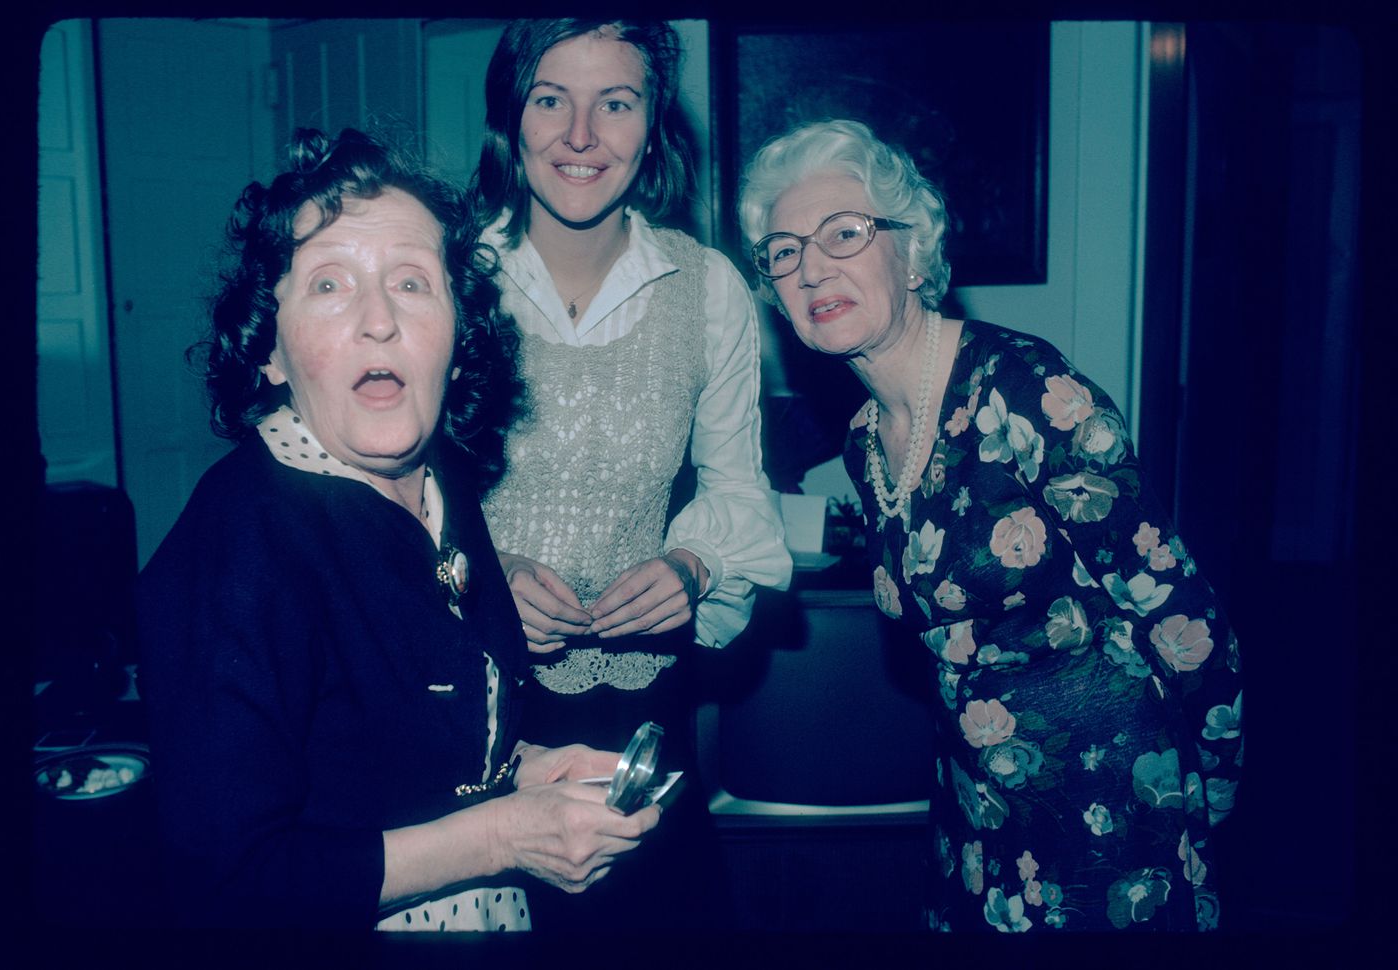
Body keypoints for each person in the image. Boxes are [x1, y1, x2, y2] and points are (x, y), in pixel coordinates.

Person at [136, 127, 661, 931]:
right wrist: (498, 839)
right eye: (329, 286)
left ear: (457, 342)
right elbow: (227, 880)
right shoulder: (239, 545)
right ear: (270, 352)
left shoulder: (439, 484)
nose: (378, 320)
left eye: (413, 283)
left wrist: (532, 773)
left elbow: (396, 742)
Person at [738, 119, 1243, 932]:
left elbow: (1191, 625)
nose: (811, 267)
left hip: (1116, 812)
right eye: (785, 251)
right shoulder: (867, 437)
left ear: (911, 252)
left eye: (844, 233)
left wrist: (1205, 800)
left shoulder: (1024, 388)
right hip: (978, 814)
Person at [469, 19, 792, 929]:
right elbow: (389, 509)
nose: (581, 135)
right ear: (512, 115)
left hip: (642, 717)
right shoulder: (447, 278)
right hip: (467, 699)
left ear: (652, 127)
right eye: (550, 100)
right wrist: (483, 584)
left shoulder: (710, 289)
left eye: (615, 103)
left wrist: (693, 568)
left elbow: (737, 491)